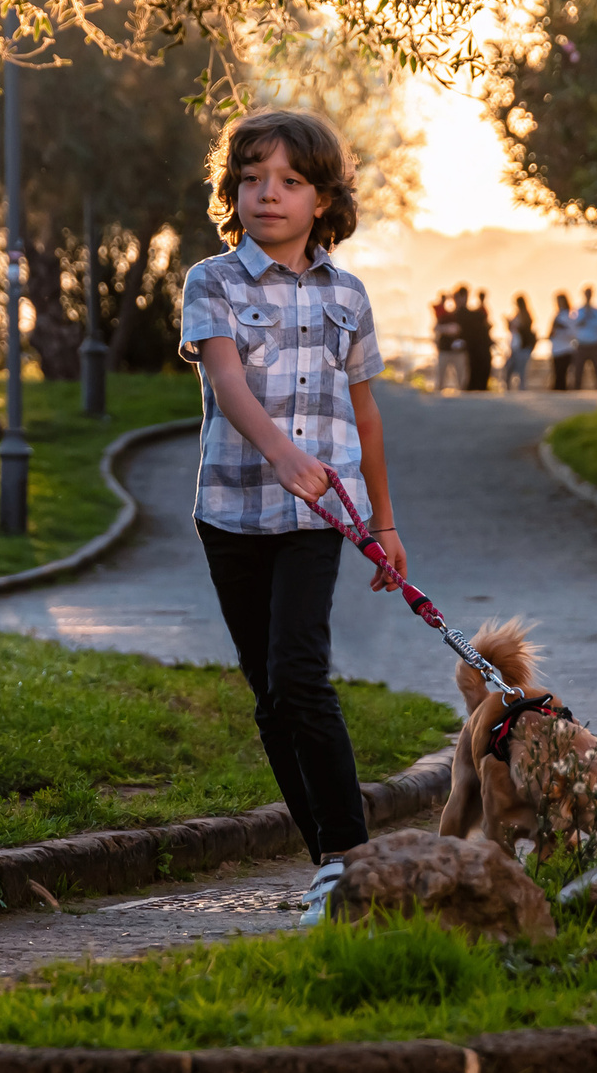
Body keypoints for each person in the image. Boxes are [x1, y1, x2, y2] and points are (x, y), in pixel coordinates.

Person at [180, 109, 401, 927]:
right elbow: (227, 381)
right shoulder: (213, 281)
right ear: (231, 190)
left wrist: (383, 524)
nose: (267, 194)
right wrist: (280, 453)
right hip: (232, 510)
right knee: (270, 693)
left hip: (322, 516)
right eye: (251, 178)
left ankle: (352, 855)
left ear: (322, 199)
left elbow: (367, 415)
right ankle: (326, 860)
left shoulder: (349, 294)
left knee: (301, 673)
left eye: (289, 181)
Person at [577, 285, 597, 391]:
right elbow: (577, 324)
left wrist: (587, 319)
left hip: (595, 344)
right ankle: (576, 391)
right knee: (578, 371)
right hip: (582, 344)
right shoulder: (579, 310)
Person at [505, 294, 537, 391]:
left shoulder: (525, 315)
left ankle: (521, 390)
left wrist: (515, 325)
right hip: (515, 347)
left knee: (521, 371)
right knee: (509, 368)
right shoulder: (517, 314)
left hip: (523, 348)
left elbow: (524, 328)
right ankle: (509, 389)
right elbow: (511, 329)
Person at [547, 290, 578, 390]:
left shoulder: (570, 316)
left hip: (566, 349)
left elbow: (573, 333)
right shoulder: (557, 316)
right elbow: (551, 333)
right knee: (556, 372)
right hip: (556, 349)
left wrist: (562, 327)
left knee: (563, 372)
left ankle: (563, 390)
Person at [430, 289, 459, 391]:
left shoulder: (451, 314)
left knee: (456, 378)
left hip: (451, 350)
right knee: (441, 377)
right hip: (444, 349)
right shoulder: (441, 313)